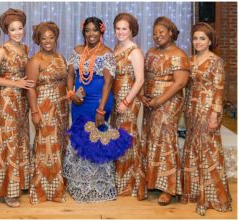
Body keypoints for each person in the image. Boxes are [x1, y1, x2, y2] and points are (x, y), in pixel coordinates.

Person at [62, 17, 117, 202]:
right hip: (78, 101)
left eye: (94, 30)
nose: (91, 34)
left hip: (98, 102)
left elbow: (108, 83)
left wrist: (101, 110)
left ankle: (98, 186)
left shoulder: (107, 53)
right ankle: (80, 184)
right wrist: (71, 94)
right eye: (87, 30)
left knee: (96, 139)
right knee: (80, 138)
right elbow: (70, 74)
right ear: (83, 32)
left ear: (101, 31)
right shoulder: (77, 51)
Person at [0, 8, 34, 207]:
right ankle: (5, 192)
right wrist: (16, 83)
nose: (18, 32)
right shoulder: (2, 50)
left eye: (20, 28)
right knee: (8, 141)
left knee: (20, 140)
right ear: (7, 31)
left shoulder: (25, 48)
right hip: (6, 99)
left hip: (20, 101)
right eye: (13, 29)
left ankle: (18, 184)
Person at [181, 22, 232, 216]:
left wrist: (214, 114)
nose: (198, 41)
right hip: (191, 110)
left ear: (210, 40)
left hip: (208, 108)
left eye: (202, 38)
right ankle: (194, 193)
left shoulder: (216, 61)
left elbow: (219, 91)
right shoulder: (190, 60)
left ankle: (211, 196)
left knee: (209, 151)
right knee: (193, 148)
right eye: (195, 38)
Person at [141, 16, 189, 206]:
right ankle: (152, 182)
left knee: (166, 141)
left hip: (169, 102)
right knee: (151, 140)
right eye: (155, 32)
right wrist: (143, 96)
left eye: (162, 31)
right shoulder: (151, 52)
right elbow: (144, 76)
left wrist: (159, 100)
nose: (157, 35)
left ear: (171, 32)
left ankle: (169, 188)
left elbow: (180, 83)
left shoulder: (179, 54)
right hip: (151, 103)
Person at [26, 22, 69, 203]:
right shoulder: (35, 60)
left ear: (56, 39)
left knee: (59, 144)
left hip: (61, 108)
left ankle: (58, 188)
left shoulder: (61, 58)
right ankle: (41, 189)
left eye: (51, 37)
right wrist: (35, 112)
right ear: (38, 40)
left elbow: (67, 82)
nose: (48, 41)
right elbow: (30, 88)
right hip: (44, 107)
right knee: (45, 146)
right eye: (44, 38)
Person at [110, 13, 146, 199]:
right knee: (118, 138)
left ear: (132, 30)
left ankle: (130, 184)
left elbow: (139, 80)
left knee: (126, 138)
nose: (121, 31)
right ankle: (120, 181)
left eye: (125, 28)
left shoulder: (134, 51)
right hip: (117, 99)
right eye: (118, 28)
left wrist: (126, 102)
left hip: (128, 101)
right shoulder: (117, 48)